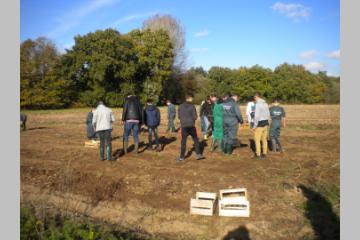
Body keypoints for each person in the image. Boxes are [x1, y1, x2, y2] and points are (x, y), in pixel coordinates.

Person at [177, 93, 205, 162]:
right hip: (191, 126)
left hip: (183, 126)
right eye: (192, 98)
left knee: (183, 141)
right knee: (195, 140)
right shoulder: (192, 106)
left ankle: (181, 157)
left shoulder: (180, 106)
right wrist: (192, 119)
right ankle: (198, 154)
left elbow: (179, 117)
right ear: (189, 98)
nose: (192, 99)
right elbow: (195, 117)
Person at [253, 92, 271, 160]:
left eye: (254, 98)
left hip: (260, 123)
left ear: (256, 97)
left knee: (257, 140)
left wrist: (254, 126)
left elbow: (256, 116)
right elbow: (268, 114)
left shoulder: (258, 104)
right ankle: (264, 153)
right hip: (266, 123)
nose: (254, 99)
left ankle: (258, 154)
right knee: (264, 139)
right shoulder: (265, 103)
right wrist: (268, 121)